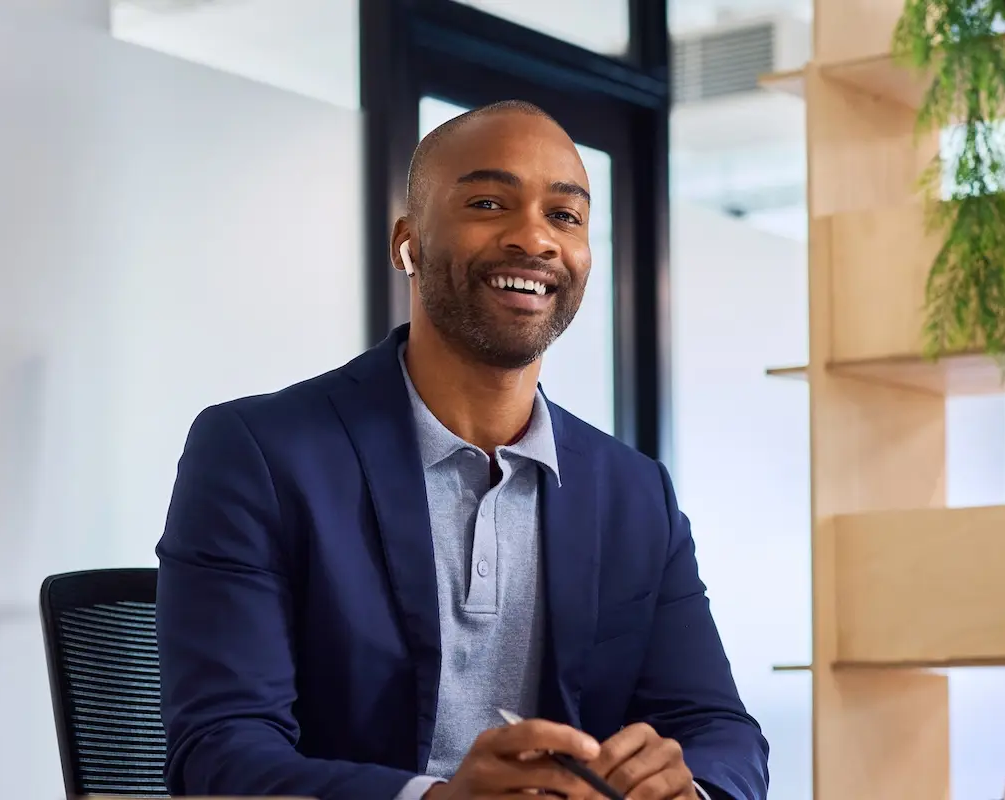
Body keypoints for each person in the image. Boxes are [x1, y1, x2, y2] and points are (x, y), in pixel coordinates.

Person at [156, 100, 769, 800]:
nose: (534, 240)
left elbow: (721, 732)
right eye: (487, 202)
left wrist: (685, 788)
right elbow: (220, 756)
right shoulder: (260, 455)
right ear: (407, 243)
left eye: (564, 216)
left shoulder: (633, 493)